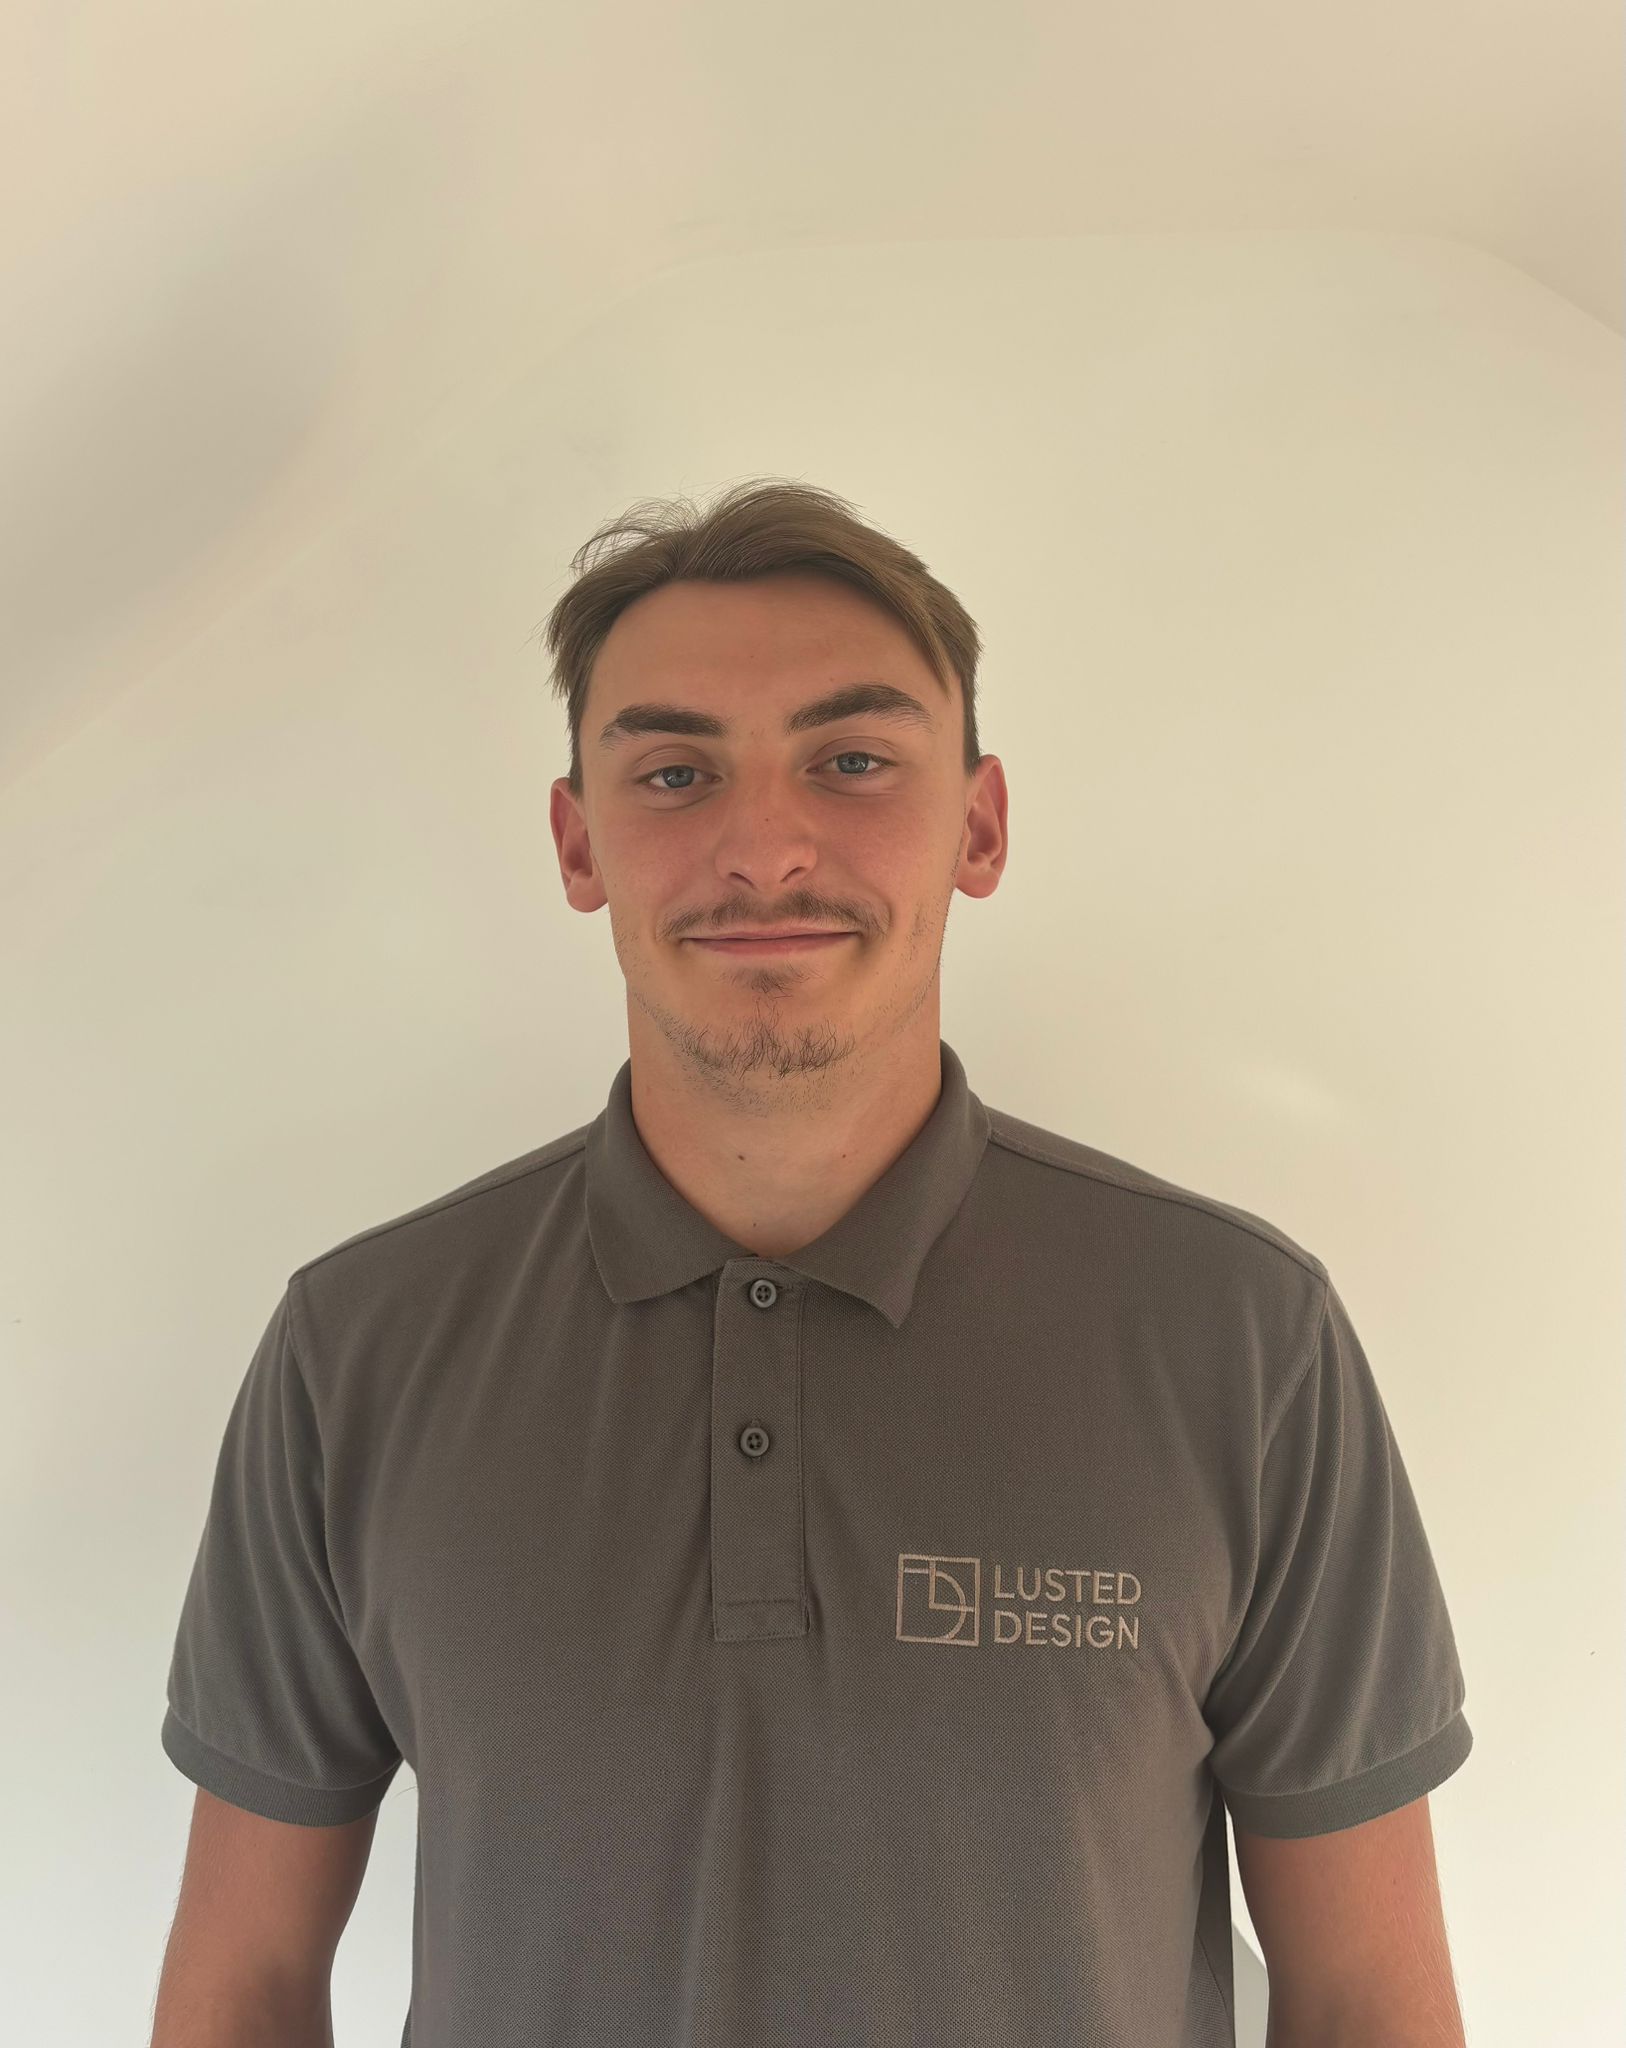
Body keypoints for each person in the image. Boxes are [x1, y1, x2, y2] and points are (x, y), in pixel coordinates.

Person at [152, 479, 1472, 2047]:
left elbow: (1367, 1996)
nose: (764, 848)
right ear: (579, 844)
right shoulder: (356, 1348)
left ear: (976, 825)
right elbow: (240, 1984)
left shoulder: (1242, 1340)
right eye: (673, 771)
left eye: (851, 763)